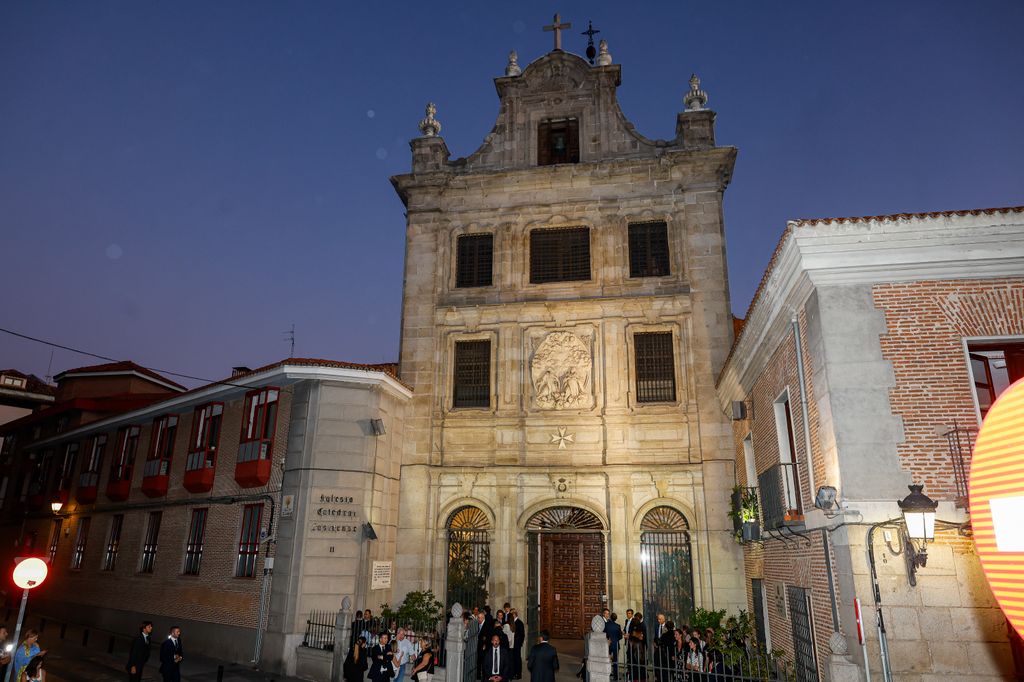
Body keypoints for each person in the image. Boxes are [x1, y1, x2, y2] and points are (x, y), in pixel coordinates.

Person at [627, 613, 646, 682]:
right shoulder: (640, 632)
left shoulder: (633, 637)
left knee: (635, 671)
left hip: (635, 657)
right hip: (640, 656)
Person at [604, 612, 622, 680]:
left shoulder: (606, 625)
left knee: (606, 660)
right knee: (615, 661)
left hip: (608, 644)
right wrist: (616, 639)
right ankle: (616, 677)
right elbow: (620, 637)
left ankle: (606, 675)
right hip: (616, 645)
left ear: (610, 618)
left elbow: (604, 634)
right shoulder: (618, 626)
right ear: (616, 618)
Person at [508, 608, 525, 680]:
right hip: (512, 644)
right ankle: (513, 673)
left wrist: (519, 643)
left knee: (517, 659)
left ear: (514, 614)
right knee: (513, 659)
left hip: (517, 644)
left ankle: (518, 674)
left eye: (511, 614)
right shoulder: (511, 622)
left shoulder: (519, 623)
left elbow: (522, 635)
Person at [462, 611, 479, 682]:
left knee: (469, 668)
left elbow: (465, 637)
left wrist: (465, 626)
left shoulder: (471, 623)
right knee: (471, 668)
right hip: (473, 648)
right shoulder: (474, 622)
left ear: (465, 618)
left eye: (462, 619)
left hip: (471, 649)